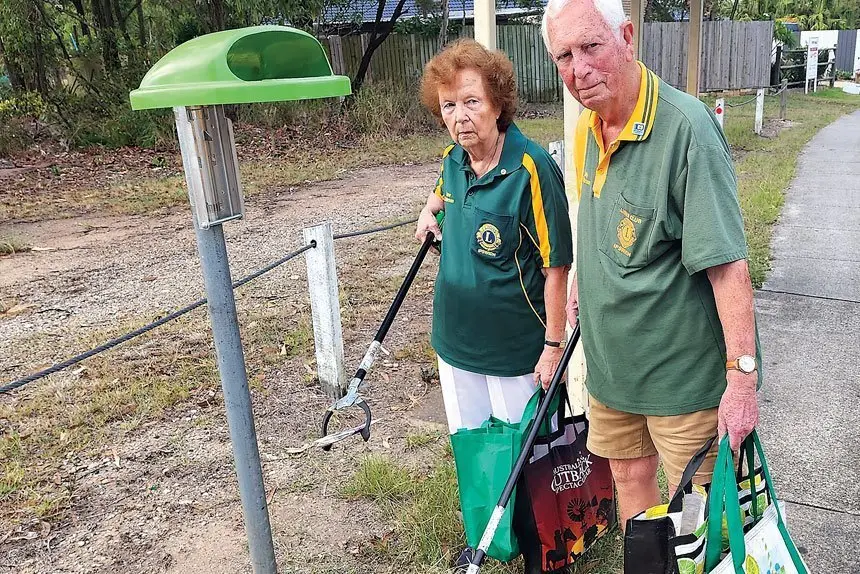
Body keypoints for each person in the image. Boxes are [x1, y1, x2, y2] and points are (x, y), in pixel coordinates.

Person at [541, 0, 762, 531]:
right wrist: (584, 278)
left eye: (591, 47)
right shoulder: (588, 127)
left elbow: (728, 269)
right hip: (613, 372)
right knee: (630, 487)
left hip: (682, 380)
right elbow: (602, 217)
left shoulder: (687, 129)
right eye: (564, 56)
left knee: (700, 520)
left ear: (627, 37)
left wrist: (742, 380)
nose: (579, 69)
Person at [415, 39, 573, 572]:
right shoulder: (453, 161)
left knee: (524, 450)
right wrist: (428, 211)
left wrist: (553, 345)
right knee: (474, 445)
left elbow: (556, 266)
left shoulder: (532, 168)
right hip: (455, 341)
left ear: (498, 103)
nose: (459, 117)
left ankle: (542, 550)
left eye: (471, 102)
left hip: (515, 348)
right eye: (448, 106)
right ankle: (486, 538)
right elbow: (442, 189)